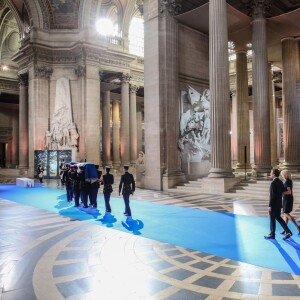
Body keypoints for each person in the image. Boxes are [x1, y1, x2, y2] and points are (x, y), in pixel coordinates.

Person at [264, 168, 292, 240]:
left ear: (273, 174)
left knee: (272, 219)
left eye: (271, 172)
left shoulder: (273, 183)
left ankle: (272, 234)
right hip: (279, 204)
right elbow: (282, 191)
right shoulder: (280, 182)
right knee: (279, 218)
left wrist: (270, 206)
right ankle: (288, 231)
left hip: (273, 205)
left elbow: (272, 196)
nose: (270, 173)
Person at [280, 170, 300, 235]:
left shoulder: (288, 182)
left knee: (286, 214)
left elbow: (289, 192)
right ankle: (284, 229)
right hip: (287, 199)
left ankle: (297, 227)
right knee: (286, 214)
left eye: (282, 174)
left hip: (287, 199)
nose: (281, 175)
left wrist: (280, 192)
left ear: (285, 174)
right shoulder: (288, 181)